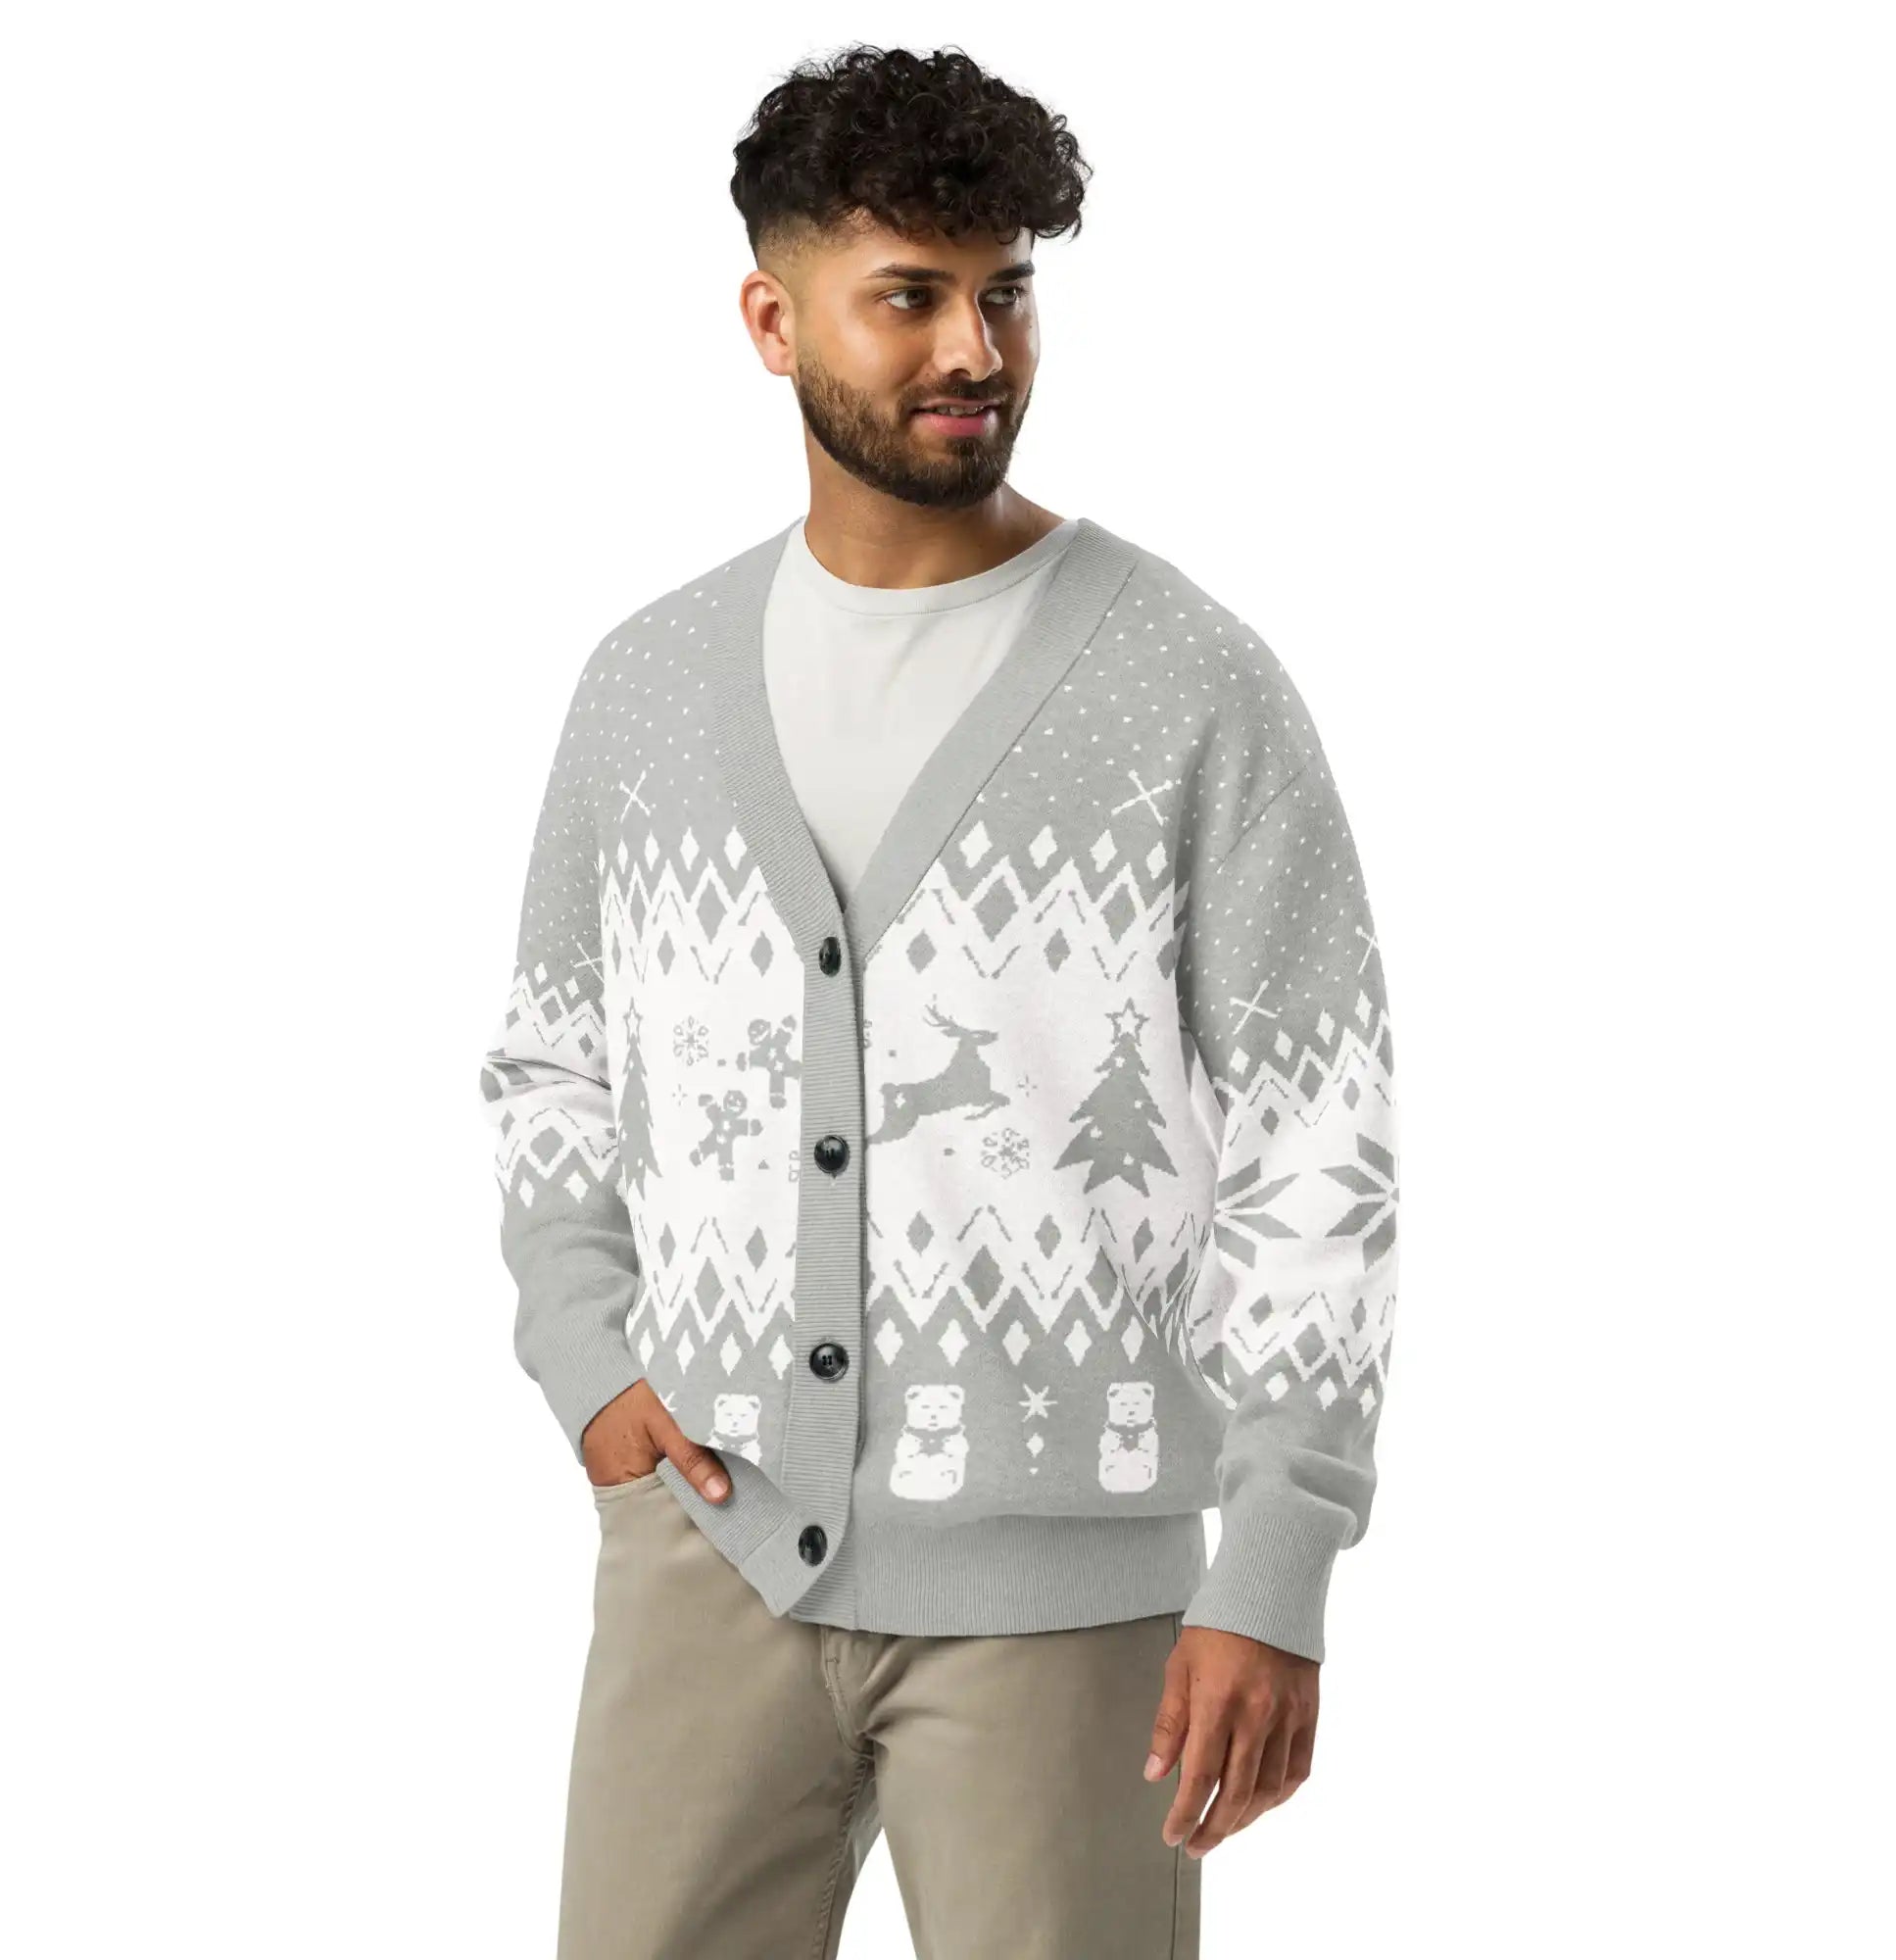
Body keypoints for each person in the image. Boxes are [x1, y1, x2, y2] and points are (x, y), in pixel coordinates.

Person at [478, 41, 1401, 1960]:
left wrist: (1277, 1552)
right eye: (909, 296)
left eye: (1008, 292)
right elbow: (552, 1057)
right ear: (772, 320)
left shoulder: (1186, 682)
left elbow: (1319, 1130)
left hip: (1069, 1592)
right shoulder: (646, 688)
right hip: (704, 1548)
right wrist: (591, 1367)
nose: (975, 350)